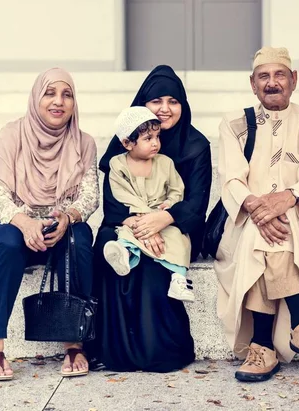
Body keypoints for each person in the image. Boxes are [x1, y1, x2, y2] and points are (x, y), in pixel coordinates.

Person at [215, 46, 299, 383]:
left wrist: (282, 202)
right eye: (264, 77)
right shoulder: (234, 124)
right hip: (246, 221)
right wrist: (259, 209)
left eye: (279, 75)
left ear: (293, 80)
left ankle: (261, 347)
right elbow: (231, 179)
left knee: (274, 230)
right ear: (252, 84)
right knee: (263, 232)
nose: (272, 83)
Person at [90, 65, 211, 372]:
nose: (165, 109)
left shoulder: (196, 146)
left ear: (183, 105)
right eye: (157, 101)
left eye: (173, 101)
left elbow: (196, 204)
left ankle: (160, 352)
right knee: (107, 245)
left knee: (152, 266)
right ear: (143, 104)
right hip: (128, 224)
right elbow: (113, 202)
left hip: (177, 228)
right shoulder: (125, 142)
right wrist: (142, 223)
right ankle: (113, 351)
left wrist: (163, 219)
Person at [0, 68, 99, 381]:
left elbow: (89, 197)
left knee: (81, 239)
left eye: (67, 94)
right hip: (13, 225)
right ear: (36, 97)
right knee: (6, 242)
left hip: (58, 227)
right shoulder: (12, 134)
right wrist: (24, 222)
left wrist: (68, 217)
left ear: (74, 103)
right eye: (50, 93)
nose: (58, 101)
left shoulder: (84, 143)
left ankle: (75, 341)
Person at [104, 106, 193, 302]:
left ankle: (179, 279)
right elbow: (122, 193)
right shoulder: (117, 165)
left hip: (162, 217)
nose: (155, 143)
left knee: (178, 238)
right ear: (127, 143)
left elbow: (177, 189)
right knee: (126, 233)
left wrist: (169, 204)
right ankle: (125, 255)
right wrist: (144, 217)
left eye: (157, 137)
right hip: (136, 216)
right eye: (148, 139)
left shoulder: (165, 163)